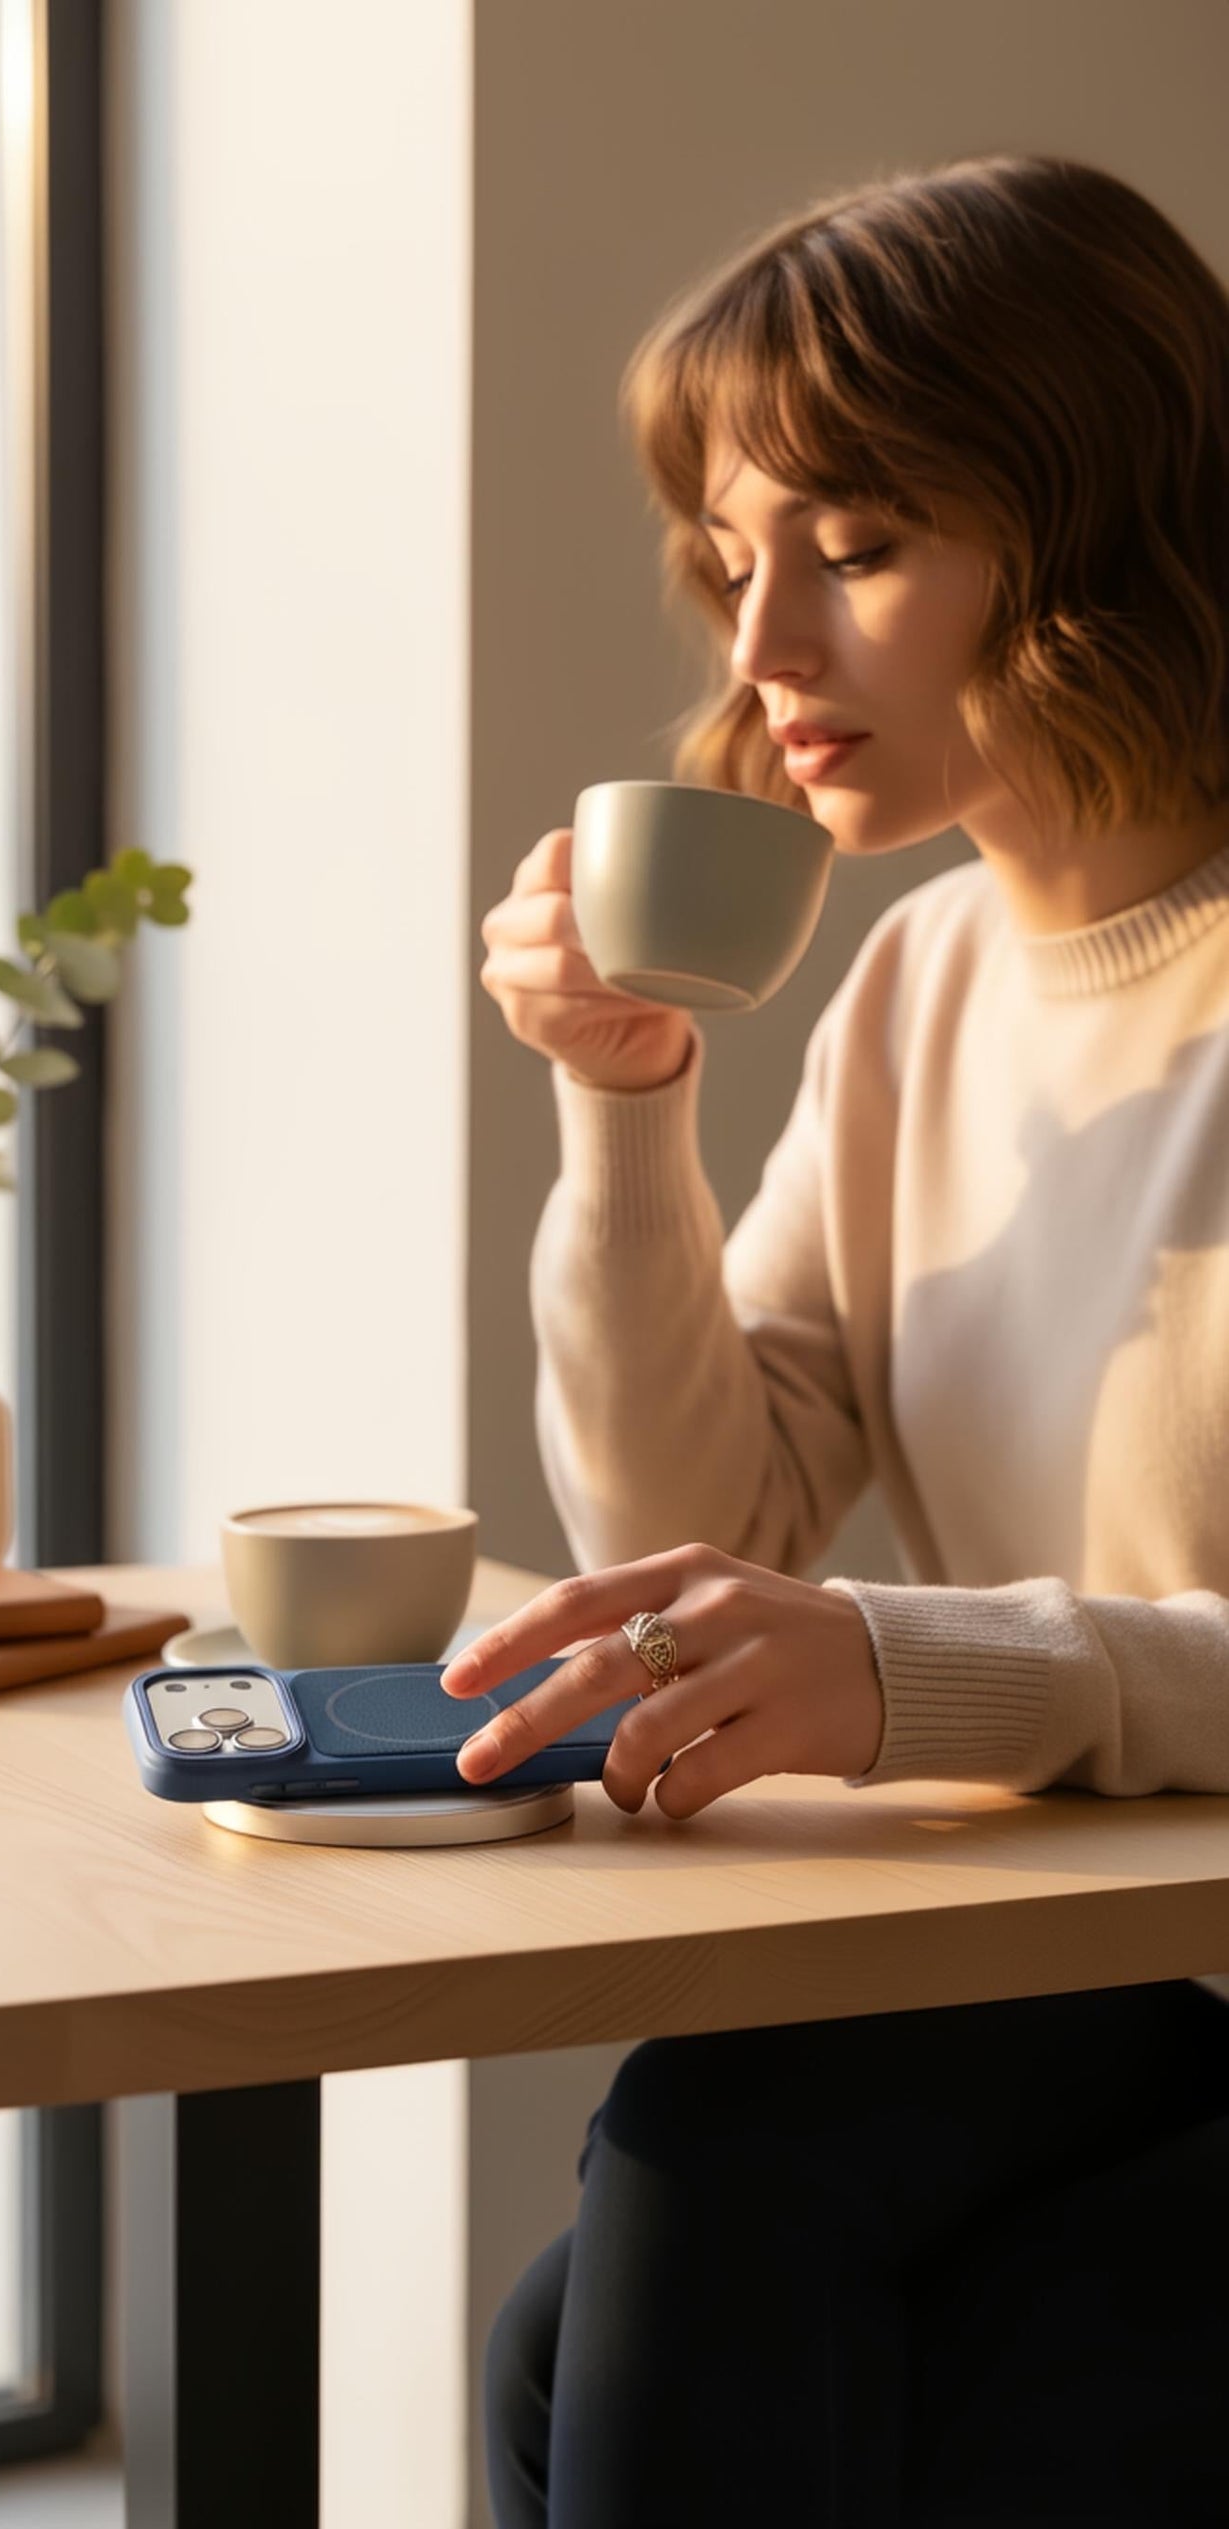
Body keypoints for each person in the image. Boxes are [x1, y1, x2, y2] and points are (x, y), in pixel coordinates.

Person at [448, 154, 1229, 2526]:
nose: (759, 645)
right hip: (1110, 1958)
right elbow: (710, 1532)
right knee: (571, 2319)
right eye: (732, 557)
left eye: (856, 545)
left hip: (1167, 1966)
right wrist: (623, 1113)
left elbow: (861, 1628)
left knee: (728, 2180)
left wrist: (923, 1669)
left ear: (1091, 523)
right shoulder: (922, 977)